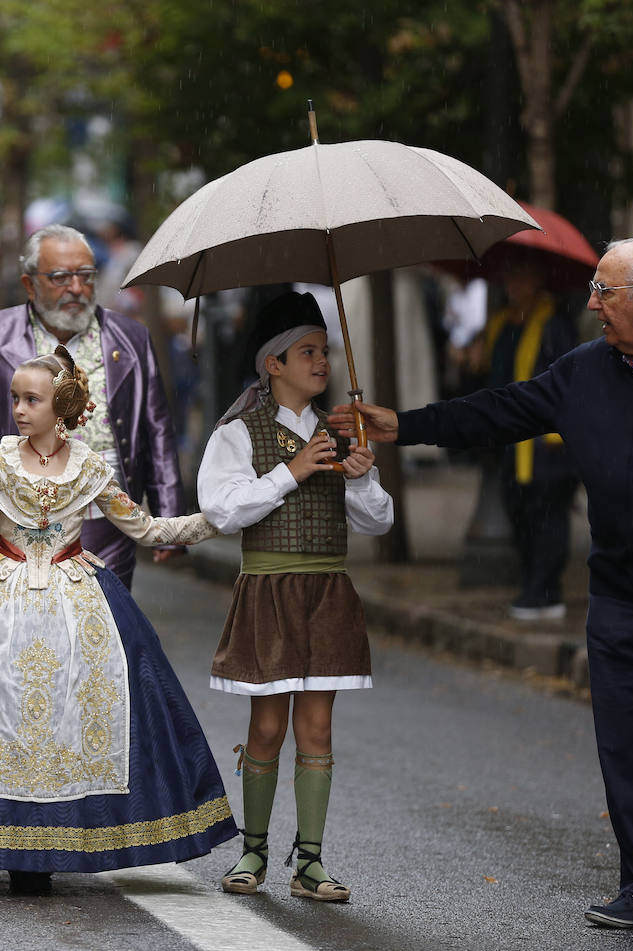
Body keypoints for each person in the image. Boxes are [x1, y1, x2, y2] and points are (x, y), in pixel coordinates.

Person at [329, 238, 633, 937]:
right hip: (620, 584)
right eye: (592, 289)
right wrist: (404, 424)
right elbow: (501, 411)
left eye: (603, 292)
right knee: (629, 738)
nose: (592, 304)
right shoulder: (585, 371)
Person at [0, 346, 236, 894]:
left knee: (84, 707)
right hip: (0, 594)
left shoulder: (89, 468)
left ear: (60, 407)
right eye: (15, 398)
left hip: (76, 599)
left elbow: (147, 530)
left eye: (31, 400)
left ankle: (63, 837)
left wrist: (222, 518)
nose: (18, 408)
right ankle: (11, 843)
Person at [197, 291, 394, 903]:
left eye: (325, 351)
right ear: (272, 364)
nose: (322, 362)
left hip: (327, 590)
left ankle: (309, 861)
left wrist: (359, 477)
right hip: (268, 588)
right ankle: (252, 852)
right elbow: (222, 510)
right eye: (307, 351)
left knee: (318, 725)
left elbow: (378, 522)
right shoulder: (238, 431)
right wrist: (293, 470)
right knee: (266, 726)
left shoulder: (340, 430)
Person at [0, 223, 184, 590]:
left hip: (109, 517)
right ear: (29, 284)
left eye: (85, 276)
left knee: (105, 626)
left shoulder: (131, 338)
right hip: (18, 521)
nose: (76, 288)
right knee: (24, 633)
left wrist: (169, 517)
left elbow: (157, 429)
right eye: (60, 277)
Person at [476, 262, 579, 620]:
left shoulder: (555, 325)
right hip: (510, 441)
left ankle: (546, 591)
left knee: (547, 515)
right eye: (510, 276)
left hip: (547, 445)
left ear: (538, 280)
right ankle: (533, 586)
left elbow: (567, 383)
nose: (514, 283)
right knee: (519, 513)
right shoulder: (500, 324)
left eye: (522, 275)